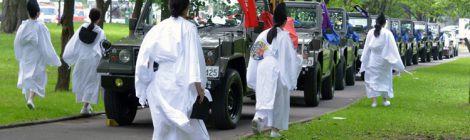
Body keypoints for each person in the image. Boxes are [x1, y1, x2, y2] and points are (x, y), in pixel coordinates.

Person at [134, 0, 209, 139]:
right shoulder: (189, 28)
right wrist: (199, 88)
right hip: (181, 83)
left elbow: (143, 60)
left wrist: (143, 84)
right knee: (187, 126)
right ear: (186, 8)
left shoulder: (158, 28)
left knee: (162, 128)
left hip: (160, 83)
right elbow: (194, 60)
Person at [247, 3, 302, 138]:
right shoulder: (284, 37)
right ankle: (274, 131)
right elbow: (289, 59)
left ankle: (259, 118)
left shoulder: (263, 35)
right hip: (278, 70)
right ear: (285, 21)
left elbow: (255, 55)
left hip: (263, 68)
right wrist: (299, 60)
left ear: (273, 20)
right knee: (279, 101)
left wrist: (253, 73)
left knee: (264, 95)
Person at [14, 0, 61, 110]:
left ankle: (29, 100)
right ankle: (30, 99)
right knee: (37, 78)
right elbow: (46, 44)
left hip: (26, 56)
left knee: (27, 76)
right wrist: (53, 58)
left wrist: (20, 54)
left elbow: (18, 41)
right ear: (38, 13)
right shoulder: (41, 27)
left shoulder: (23, 26)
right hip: (37, 56)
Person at [62, 8, 106, 114]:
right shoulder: (100, 32)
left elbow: (74, 43)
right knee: (91, 83)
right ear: (99, 19)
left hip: (81, 59)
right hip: (93, 61)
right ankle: (85, 107)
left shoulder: (82, 27)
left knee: (82, 80)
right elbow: (102, 47)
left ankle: (87, 105)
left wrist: (69, 56)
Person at [359, 13, 405, 108]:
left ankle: (374, 102)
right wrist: (398, 63)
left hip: (373, 59)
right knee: (384, 80)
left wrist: (364, 60)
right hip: (384, 60)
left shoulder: (371, 32)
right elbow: (393, 48)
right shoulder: (387, 33)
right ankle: (385, 100)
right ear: (384, 23)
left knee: (372, 80)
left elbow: (367, 48)